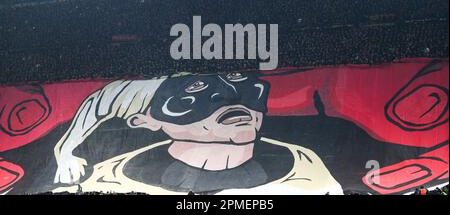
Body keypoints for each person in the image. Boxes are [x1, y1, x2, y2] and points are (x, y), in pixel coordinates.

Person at [53, 72, 342, 195]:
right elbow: (98, 103)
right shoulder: (108, 181)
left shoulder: (306, 166)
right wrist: (65, 152)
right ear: (145, 121)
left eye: (238, 84)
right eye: (193, 90)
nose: (232, 99)